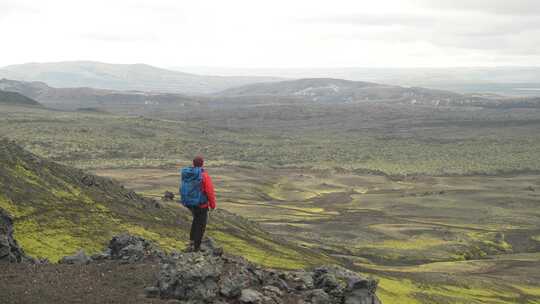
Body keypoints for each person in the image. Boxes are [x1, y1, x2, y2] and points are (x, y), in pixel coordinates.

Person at [180, 156, 216, 252]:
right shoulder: (204, 175)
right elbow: (209, 191)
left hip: (190, 204)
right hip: (201, 204)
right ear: (202, 163)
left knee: (195, 221)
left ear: (193, 163)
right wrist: (212, 205)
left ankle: (191, 242)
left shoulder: (188, 174)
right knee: (201, 225)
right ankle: (196, 247)